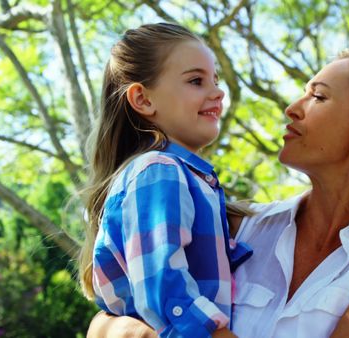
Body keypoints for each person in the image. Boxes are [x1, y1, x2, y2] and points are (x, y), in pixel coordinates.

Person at [87, 46, 349, 338]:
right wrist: (120, 329)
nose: (292, 108)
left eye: (318, 97)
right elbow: (113, 313)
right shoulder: (238, 228)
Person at [78, 23, 252, 338]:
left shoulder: (187, 178)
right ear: (143, 100)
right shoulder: (159, 170)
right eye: (196, 81)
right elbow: (163, 285)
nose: (218, 91)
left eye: (215, 79)